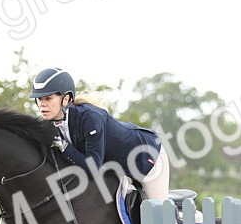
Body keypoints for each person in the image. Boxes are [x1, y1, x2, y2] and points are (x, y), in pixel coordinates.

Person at [29, 67, 170, 201]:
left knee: (159, 218)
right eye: (39, 99)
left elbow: (92, 167)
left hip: (147, 158)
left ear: (65, 99)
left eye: (48, 98)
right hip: (117, 171)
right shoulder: (49, 124)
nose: (42, 104)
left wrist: (64, 146)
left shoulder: (90, 118)